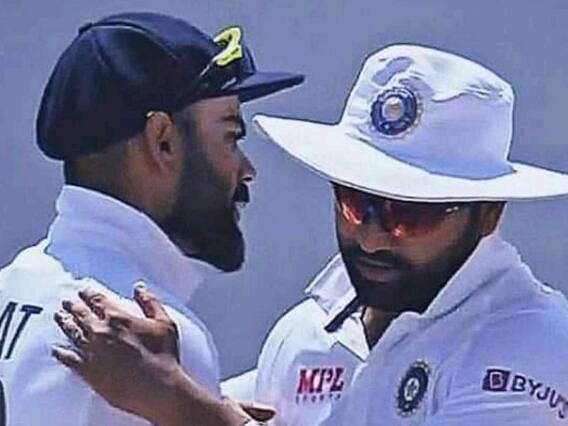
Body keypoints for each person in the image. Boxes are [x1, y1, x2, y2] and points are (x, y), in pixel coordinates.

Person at [54, 45, 568, 425]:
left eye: (409, 217)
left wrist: (176, 400)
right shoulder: (308, 332)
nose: (372, 238)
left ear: (489, 215)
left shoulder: (536, 344)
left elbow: (190, 406)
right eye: (356, 204)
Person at [0, 11, 302, 426]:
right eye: (231, 137)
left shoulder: (10, 286)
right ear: (163, 142)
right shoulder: (153, 341)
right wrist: (198, 409)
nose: (247, 169)